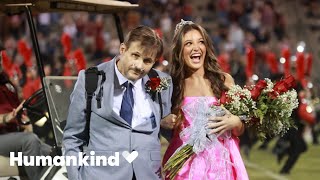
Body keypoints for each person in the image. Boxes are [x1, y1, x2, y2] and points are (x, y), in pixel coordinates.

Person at [63, 25, 176, 180]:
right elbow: (72, 137)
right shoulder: (90, 79)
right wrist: (75, 177)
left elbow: (169, 130)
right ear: (123, 49)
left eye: (147, 61)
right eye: (135, 55)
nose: (139, 66)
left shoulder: (162, 81)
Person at [162, 20, 248, 180]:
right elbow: (155, 120)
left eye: (201, 42)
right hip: (185, 168)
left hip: (222, 165)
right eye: (188, 43)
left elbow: (240, 129)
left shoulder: (224, 80)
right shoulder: (172, 85)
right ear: (179, 51)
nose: (196, 47)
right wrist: (163, 120)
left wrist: (235, 122)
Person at [0, 48, 52, 180]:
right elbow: (7, 116)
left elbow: (17, 109)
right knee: (30, 141)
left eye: (0, 56)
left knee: (53, 152)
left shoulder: (6, 83)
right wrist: (6, 118)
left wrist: (24, 121)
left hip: (13, 135)